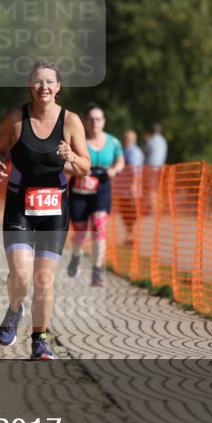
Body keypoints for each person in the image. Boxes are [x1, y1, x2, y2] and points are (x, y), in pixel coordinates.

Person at [0, 61, 91, 360]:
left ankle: (40, 340)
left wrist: (71, 155)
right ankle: (13, 310)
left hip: (54, 207)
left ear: (59, 87)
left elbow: (85, 165)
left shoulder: (71, 121)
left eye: (50, 82)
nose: (44, 87)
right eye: (38, 82)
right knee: (21, 276)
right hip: (19, 205)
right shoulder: (14, 118)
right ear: (29, 87)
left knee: (44, 280)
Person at [65, 104, 125, 287]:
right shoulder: (77, 140)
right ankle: (76, 257)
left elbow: (121, 160)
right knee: (81, 232)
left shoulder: (113, 142)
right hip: (79, 189)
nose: (95, 123)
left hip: (102, 187)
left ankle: (97, 271)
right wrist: (77, 171)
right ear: (85, 121)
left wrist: (114, 169)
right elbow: (64, 163)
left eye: (98, 119)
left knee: (99, 226)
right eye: (91, 119)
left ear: (104, 121)